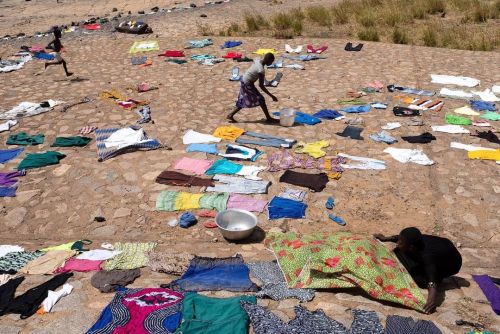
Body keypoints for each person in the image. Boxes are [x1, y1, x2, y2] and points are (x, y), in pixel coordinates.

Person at [374, 227, 462, 314]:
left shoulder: (427, 255)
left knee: (419, 280)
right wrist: (386, 238)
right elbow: (401, 238)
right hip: (443, 250)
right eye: (399, 240)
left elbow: (432, 278)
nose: (398, 243)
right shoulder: (416, 240)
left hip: (451, 265)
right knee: (398, 251)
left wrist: (431, 299)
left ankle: (439, 276)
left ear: (411, 247)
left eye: (401, 242)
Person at [227, 52, 278, 123]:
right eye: (271, 61)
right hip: (247, 84)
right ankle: (268, 118)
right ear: (268, 60)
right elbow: (261, 85)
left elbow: (253, 60)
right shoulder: (261, 70)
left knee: (245, 99)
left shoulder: (258, 61)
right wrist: (272, 96)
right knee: (261, 100)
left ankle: (231, 115)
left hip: (244, 80)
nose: (271, 63)